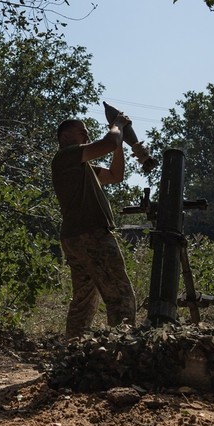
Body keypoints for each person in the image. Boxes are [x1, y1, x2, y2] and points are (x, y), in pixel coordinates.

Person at [51, 116, 137, 340]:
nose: (87, 136)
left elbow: (115, 176)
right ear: (65, 136)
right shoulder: (66, 156)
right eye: (82, 132)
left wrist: (119, 146)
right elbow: (108, 143)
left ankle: (73, 354)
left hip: (75, 237)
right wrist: (117, 126)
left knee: (85, 300)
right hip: (91, 235)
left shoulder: (82, 167)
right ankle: (123, 352)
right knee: (120, 296)